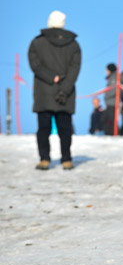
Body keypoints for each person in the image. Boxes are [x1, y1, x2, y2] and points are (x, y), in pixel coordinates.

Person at [28, 10, 81, 170]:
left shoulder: (37, 43)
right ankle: (66, 159)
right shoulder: (74, 45)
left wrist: (51, 77)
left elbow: (35, 65)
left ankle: (44, 159)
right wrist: (64, 88)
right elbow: (75, 69)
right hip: (66, 93)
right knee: (65, 129)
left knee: (43, 128)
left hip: (44, 92)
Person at [103, 63, 118, 135]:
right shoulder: (111, 77)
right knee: (106, 119)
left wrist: (106, 95)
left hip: (113, 103)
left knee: (112, 120)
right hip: (109, 103)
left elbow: (114, 89)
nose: (106, 71)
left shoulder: (114, 78)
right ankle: (108, 133)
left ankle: (114, 134)